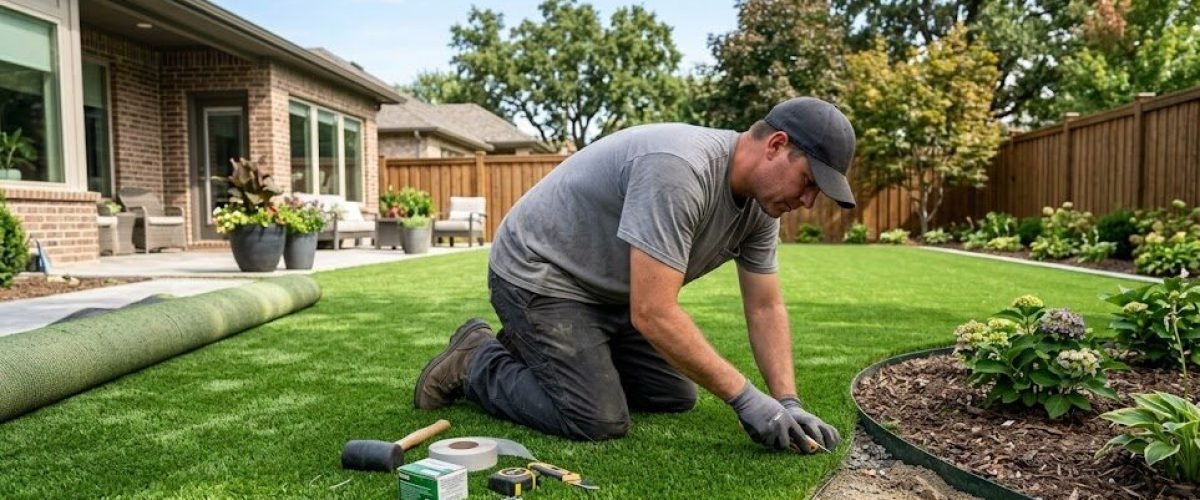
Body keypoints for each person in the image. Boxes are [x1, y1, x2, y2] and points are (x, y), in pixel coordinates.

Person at [413, 97, 855, 453]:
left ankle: (542, 354)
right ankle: (475, 360)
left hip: (607, 292)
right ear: (776, 145)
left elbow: (765, 306)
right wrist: (745, 398)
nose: (809, 201)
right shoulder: (681, 169)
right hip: (539, 273)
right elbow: (653, 312)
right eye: (809, 181)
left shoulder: (762, 209)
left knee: (675, 396)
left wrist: (786, 401)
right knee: (597, 419)